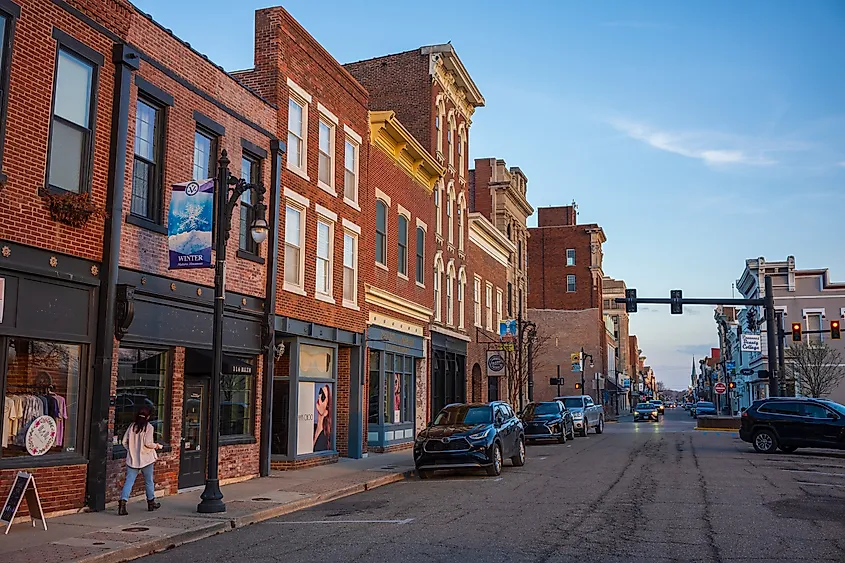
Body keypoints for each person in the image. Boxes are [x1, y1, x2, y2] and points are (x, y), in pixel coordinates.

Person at [118, 407, 163, 515]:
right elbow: (148, 443)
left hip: (132, 459)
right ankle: (151, 502)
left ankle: (123, 503)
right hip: (146, 459)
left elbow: (124, 441)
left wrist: (131, 450)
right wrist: (157, 446)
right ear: (148, 417)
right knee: (148, 481)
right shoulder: (149, 427)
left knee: (129, 481)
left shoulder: (132, 426)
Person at [313, 384, 332, 451]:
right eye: (320, 392)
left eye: (323, 396)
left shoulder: (325, 435)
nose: (319, 396)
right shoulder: (311, 429)